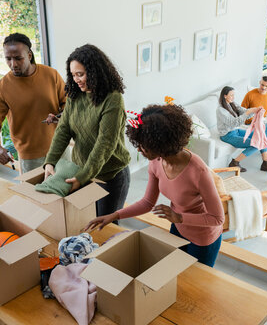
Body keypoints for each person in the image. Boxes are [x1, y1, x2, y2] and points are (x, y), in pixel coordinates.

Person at [85, 104, 225, 267]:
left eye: (143, 145)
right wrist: (114, 215)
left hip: (203, 238)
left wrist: (179, 217)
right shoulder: (157, 163)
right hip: (178, 228)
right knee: (176, 273)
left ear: (160, 144)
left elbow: (217, 218)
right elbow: (147, 203)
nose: (139, 149)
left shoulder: (198, 172)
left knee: (194, 283)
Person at [44, 44, 131, 217]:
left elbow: (105, 143)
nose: (76, 80)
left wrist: (82, 176)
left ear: (95, 72)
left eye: (80, 74)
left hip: (110, 175)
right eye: (73, 75)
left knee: (106, 226)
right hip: (83, 171)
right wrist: (50, 161)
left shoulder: (112, 98)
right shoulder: (75, 95)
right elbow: (63, 130)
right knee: (86, 220)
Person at [0, 33, 66, 173]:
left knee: (69, 192)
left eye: (18, 58)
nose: (13, 64)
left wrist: (60, 116)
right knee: (35, 195)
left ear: (29, 55)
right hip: (30, 159)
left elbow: (68, 105)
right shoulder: (2, 88)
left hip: (60, 149)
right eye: (8, 59)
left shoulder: (51, 75)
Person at [217, 86, 267, 173]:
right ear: (225, 96)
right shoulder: (221, 110)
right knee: (256, 144)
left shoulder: (233, 104)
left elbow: (245, 112)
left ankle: (265, 163)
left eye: (233, 95)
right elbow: (234, 123)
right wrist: (248, 112)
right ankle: (234, 162)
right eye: (231, 95)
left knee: (261, 136)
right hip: (227, 135)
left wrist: (254, 110)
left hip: (236, 131)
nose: (233, 97)